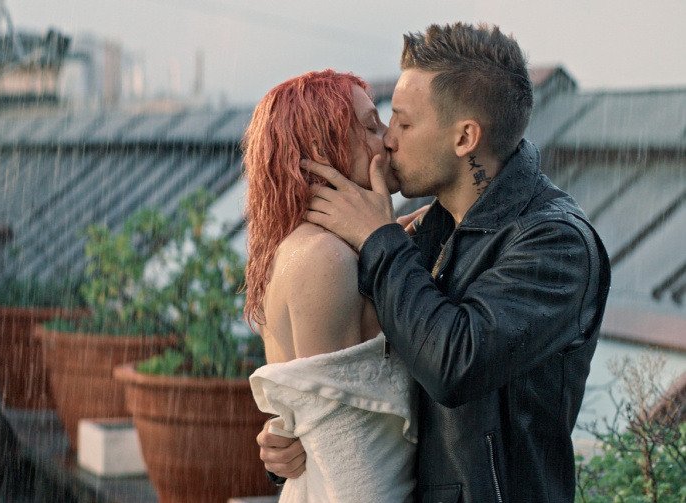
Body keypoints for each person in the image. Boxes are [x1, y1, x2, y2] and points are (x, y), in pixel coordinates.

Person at [258, 23, 611, 502]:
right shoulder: (430, 229)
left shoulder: (555, 243)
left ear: (465, 137)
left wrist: (379, 240)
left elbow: (454, 363)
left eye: (403, 124)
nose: (388, 140)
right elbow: (366, 386)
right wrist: (293, 442)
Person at [243, 69, 419, 502]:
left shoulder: (324, 248)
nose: (388, 139)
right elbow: (345, 455)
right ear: (323, 148)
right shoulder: (323, 258)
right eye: (371, 127)